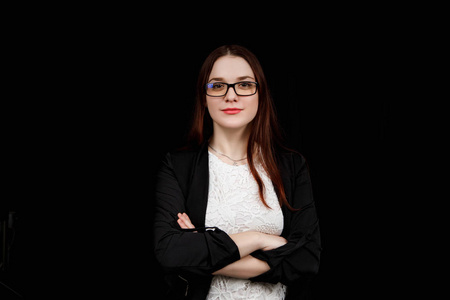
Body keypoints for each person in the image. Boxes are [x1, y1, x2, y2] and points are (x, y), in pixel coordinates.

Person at [153, 45, 321, 299]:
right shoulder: (178, 166)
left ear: (260, 94)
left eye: (244, 85)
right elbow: (169, 252)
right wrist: (260, 240)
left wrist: (203, 251)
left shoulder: (292, 166)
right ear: (203, 96)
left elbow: (306, 259)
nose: (231, 96)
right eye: (218, 86)